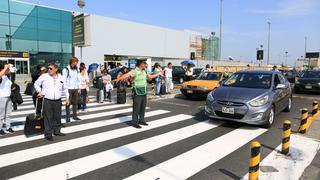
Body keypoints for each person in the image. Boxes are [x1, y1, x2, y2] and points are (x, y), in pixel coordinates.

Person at [113, 59, 163, 129]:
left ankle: (141, 120)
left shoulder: (144, 71)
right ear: (140, 64)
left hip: (143, 91)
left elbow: (150, 77)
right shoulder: (135, 71)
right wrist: (119, 79)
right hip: (137, 92)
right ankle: (135, 122)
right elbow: (127, 74)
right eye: (144, 63)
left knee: (143, 107)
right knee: (136, 108)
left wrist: (159, 73)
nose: (145, 64)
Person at [35, 63, 69, 141]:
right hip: (47, 100)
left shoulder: (61, 77)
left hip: (58, 100)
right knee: (48, 118)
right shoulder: (44, 76)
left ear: (56, 69)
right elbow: (36, 84)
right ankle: (48, 134)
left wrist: (67, 98)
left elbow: (65, 88)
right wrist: (39, 91)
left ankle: (57, 131)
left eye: (51, 68)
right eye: (48, 68)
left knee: (57, 117)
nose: (49, 70)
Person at [62, 57, 82, 122]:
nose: (76, 64)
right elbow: (64, 80)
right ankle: (68, 117)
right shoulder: (66, 69)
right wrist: (65, 89)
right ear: (72, 62)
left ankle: (75, 116)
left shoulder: (77, 69)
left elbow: (78, 79)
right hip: (69, 88)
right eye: (75, 62)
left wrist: (79, 87)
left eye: (77, 62)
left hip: (75, 88)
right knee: (68, 103)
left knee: (75, 103)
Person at [0, 64, 14, 135]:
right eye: (7, 69)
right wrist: (5, 68)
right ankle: (0, 128)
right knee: (1, 115)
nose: (8, 70)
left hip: (8, 97)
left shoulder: (7, 76)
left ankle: (8, 127)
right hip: (1, 97)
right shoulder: (1, 76)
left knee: (8, 114)